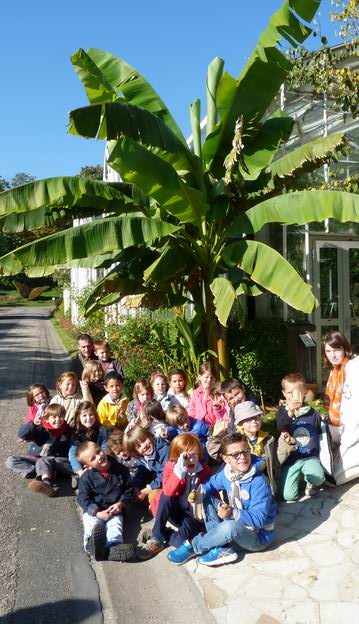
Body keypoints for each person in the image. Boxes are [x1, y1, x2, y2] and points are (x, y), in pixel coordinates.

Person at [167, 432, 276, 566]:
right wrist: (199, 493)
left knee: (229, 526)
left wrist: (232, 513)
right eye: (235, 454)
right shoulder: (228, 473)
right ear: (225, 459)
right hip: (238, 522)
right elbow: (211, 483)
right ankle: (221, 549)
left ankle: (193, 546)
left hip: (258, 536)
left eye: (245, 451)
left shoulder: (259, 482)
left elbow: (259, 520)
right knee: (207, 499)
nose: (242, 457)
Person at [137, 433, 211, 559]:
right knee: (165, 496)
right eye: (186, 456)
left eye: (194, 454)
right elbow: (168, 492)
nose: (191, 459)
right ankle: (157, 538)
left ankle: (162, 532)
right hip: (175, 509)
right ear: (177, 457)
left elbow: (211, 492)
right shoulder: (172, 467)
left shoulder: (203, 469)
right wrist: (179, 471)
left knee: (181, 543)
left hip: (191, 515)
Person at [76, 441, 134, 562]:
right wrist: (96, 512)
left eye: (98, 451)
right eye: (93, 458)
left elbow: (129, 490)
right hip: (96, 509)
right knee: (91, 523)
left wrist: (121, 504)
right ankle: (91, 544)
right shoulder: (86, 477)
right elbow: (82, 497)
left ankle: (114, 546)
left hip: (114, 509)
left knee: (115, 524)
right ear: (88, 466)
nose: (99, 456)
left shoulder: (121, 469)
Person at [276, 373, 325, 501]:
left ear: (304, 392)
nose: (293, 397)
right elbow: (280, 426)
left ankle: (310, 480)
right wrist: (290, 412)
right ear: (284, 394)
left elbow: (320, 434)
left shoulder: (312, 413)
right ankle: (298, 478)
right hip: (291, 460)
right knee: (288, 496)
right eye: (289, 393)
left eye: (297, 392)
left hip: (309, 457)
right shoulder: (282, 412)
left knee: (319, 478)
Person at [6, 403, 72, 497]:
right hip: (37, 458)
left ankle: (47, 484)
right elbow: (22, 434)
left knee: (44, 460)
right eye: (54, 417)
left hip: (54, 460)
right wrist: (33, 424)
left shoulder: (67, 430)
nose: (58, 420)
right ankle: (43, 472)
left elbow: (72, 446)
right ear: (47, 419)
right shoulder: (40, 427)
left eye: (61, 417)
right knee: (11, 460)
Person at [123, 425, 169, 512]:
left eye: (144, 440)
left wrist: (148, 489)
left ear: (149, 436)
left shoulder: (164, 450)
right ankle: (152, 504)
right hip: (159, 480)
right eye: (138, 446)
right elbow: (141, 472)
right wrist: (136, 487)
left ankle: (158, 506)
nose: (144, 446)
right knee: (135, 494)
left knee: (154, 494)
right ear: (135, 451)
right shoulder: (143, 457)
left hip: (172, 479)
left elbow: (165, 474)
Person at [323, 330, 352, 447]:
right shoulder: (335, 369)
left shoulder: (350, 369)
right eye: (328, 351)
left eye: (336, 350)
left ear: (345, 349)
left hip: (348, 430)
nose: (332, 355)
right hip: (334, 424)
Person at [68, 402, 108, 479]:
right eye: (84, 415)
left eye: (91, 415)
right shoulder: (76, 432)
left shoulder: (100, 430)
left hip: (97, 460)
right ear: (78, 417)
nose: (88, 418)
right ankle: (81, 476)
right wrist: (80, 471)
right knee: (61, 462)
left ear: (95, 416)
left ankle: (88, 477)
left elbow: (104, 448)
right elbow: (72, 454)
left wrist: (94, 464)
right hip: (81, 461)